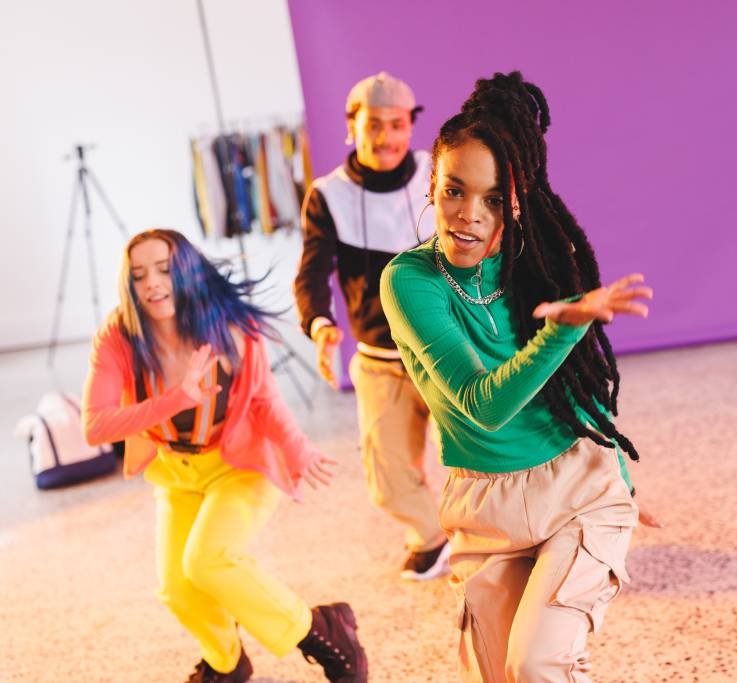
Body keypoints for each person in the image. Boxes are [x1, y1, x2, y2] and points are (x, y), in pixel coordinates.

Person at [380, 71, 657, 682]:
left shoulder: (539, 265)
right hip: (485, 504)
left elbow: (574, 387)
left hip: (577, 491)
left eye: (493, 200)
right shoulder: (409, 281)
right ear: (432, 183)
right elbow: (481, 404)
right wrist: (563, 329)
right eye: (454, 191)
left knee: (537, 662)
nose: (469, 216)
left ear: (518, 201)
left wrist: (619, 478)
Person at [83, 229, 368, 683]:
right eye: (139, 275)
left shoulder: (232, 327)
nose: (152, 282)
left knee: (208, 559)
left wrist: (298, 447)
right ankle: (226, 662)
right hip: (175, 472)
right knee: (176, 588)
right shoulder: (119, 336)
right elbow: (95, 425)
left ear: (187, 272)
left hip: (239, 465)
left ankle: (323, 630)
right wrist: (175, 399)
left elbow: (264, 401)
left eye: (164, 269)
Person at [293, 72, 450, 581]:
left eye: (397, 125)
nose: (386, 137)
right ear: (352, 125)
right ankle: (433, 537)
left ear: (411, 126)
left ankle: (499, 538)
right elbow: (312, 273)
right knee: (386, 481)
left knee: (482, 456)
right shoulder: (328, 195)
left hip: (450, 349)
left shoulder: (439, 173)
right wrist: (320, 324)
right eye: (374, 125)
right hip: (381, 361)